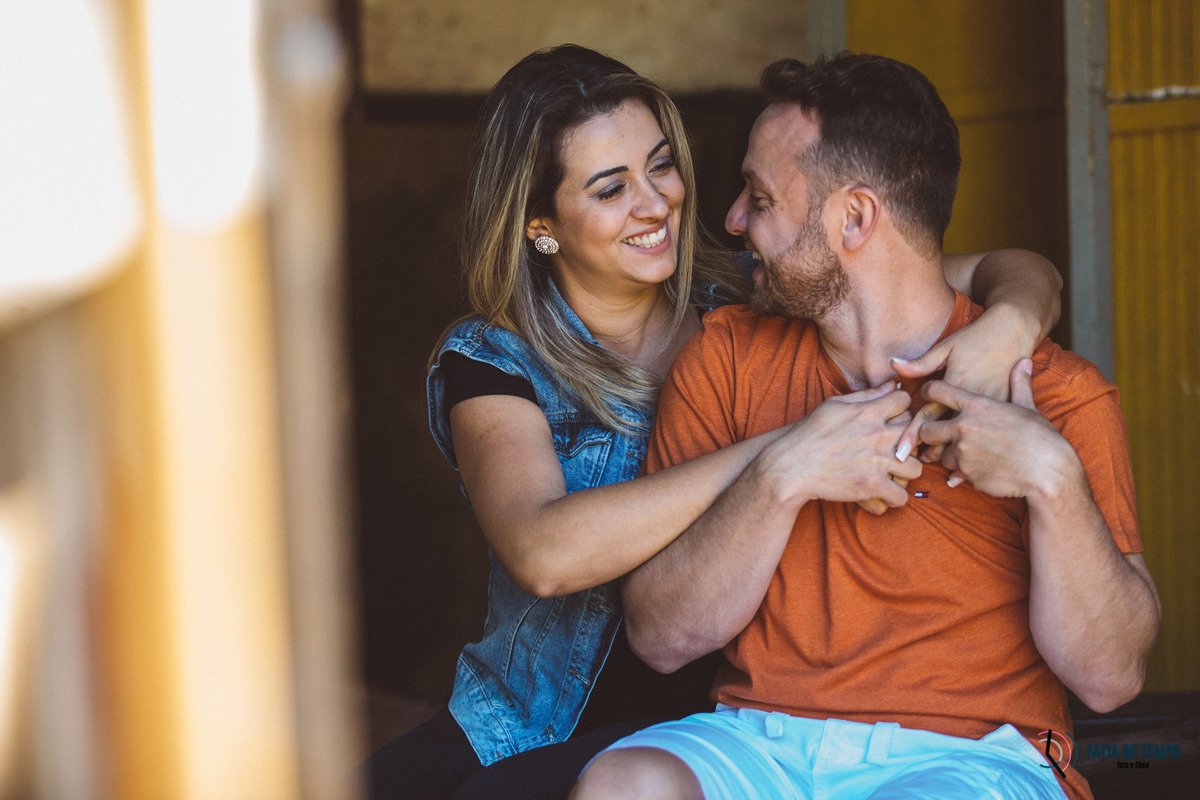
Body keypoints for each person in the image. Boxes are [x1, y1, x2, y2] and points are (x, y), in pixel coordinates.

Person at [365, 45, 1066, 800]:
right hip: (536, 717)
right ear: (541, 225)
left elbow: (986, 268)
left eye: (661, 166)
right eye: (611, 189)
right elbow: (544, 552)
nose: (656, 204)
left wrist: (1014, 320)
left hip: (718, 722)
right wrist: (788, 449)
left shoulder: (752, 294)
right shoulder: (494, 359)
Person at [571, 53, 1161, 800]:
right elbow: (660, 640)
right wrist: (783, 474)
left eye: (760, 197)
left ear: (854, 218)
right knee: (623, 783)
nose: (733, 220)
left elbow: (1111, 680)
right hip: (762, 741)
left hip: (975, 755)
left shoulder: (1061, 394)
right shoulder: (724, 360)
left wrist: (1052, 479)